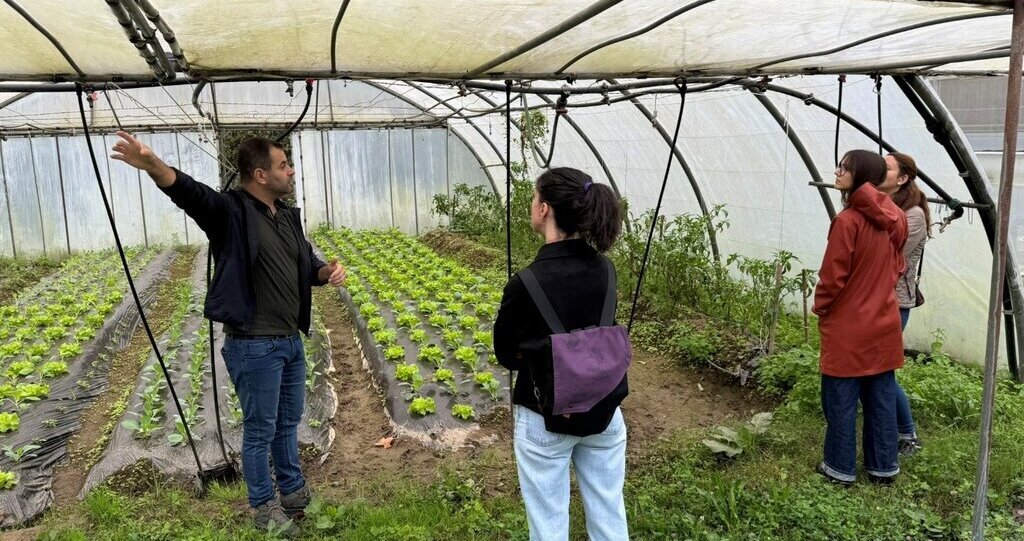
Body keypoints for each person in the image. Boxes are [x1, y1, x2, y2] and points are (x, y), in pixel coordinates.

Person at [110, 131, 346, 536]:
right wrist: (152, 164)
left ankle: (293, 492)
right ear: (260, 174)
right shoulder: (231, 213)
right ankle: (264, 507)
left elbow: (307, 266)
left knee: (288, 423)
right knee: (260, 430)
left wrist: (326, 272)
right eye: (283, 165)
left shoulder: (286, 216)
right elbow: (190, 193)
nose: (291, 171)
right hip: (255, 344)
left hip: (290, 340)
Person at [494, 167, 628, 541]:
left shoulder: (527, 281)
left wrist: (538, 356)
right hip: (605, 411)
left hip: (546, 416)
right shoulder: (605, 269)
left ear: (544, 209)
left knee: (549, 524)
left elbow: (506, 352)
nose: (532, 203)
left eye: (534, 197)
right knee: (609, 512)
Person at [814, 150, 908, 486]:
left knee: (840, 400)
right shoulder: (895, 220)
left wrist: (822, 308)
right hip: (883, 323)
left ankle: (839, 468)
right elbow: (899, 265)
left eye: (845, 168)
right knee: (880, 397)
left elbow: (832, 277)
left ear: (861, 175)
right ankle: (883, 467)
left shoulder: (847, 221)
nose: (837, 171)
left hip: (849, 328)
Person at [879, 152, 930, 455]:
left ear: (902, 178)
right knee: (871, 368)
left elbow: (884, 254)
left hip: (894, 301)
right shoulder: (882, 205)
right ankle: (886, 426)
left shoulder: (913, 216)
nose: (877, 170)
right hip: (873, 298)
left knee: (882, 369)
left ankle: (907, 433)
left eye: (886, 168)